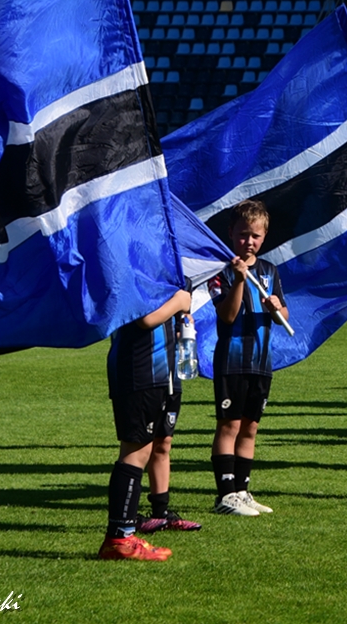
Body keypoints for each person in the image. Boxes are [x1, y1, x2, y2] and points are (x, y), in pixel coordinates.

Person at [99, 288, 198, 561]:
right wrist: (179, 301)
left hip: (160, 372)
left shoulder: (159, 275)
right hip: (139, 370)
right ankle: (119, 538)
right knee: (135, 452)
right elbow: (145, 318)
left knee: (144, 450)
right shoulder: (136, 272)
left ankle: (125, 535)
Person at [209, 200, 288, 516]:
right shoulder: (222, 272)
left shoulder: (269, 271)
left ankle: (242, 490)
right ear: (231, 233)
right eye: (243, 235)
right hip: (232, 361)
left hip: (261, 361)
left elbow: (284, 317)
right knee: (229, 425)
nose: (249, 242)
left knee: (250, 427)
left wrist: (276, 308)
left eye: (255, 236)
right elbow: (227, 316)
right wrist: (240, 280)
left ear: (264, 236)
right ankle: (225, 495)